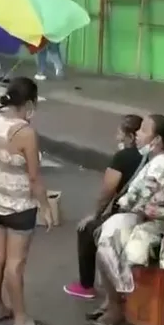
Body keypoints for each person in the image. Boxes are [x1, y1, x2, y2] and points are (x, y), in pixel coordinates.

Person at [84, 114, 164, 325]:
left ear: (156, 140)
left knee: (107, 239)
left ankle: (115, 306)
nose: (137, 134)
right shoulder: (152, 159)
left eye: (143, 131)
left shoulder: (163, 163)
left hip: (154, 224)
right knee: (103, 234)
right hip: (140, 217)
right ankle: (111, 301)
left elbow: (147, 198)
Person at [0, 77, 54, 325]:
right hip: (20, 207)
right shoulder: (25, 134)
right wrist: (46, 207)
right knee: (15, 264)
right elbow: (34, 177)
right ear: (29, 103)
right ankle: (21, 319)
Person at [64, 115, 146, 300]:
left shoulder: (123, 157)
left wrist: (95, 214)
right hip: (144, 214)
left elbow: (107, 191)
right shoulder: (153, 156)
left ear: (132, 137)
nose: (116, 136)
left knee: (86, 230)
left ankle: (86, 286)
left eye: (120, 132)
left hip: (127, 215)